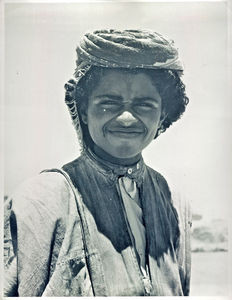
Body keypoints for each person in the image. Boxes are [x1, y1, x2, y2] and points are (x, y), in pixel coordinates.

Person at [4, 29, 191, 296]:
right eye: (109, 103)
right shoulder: (41, 199)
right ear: (83, 111)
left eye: (144, 104)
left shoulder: (174, 201)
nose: (127, 117)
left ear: (163, 116)